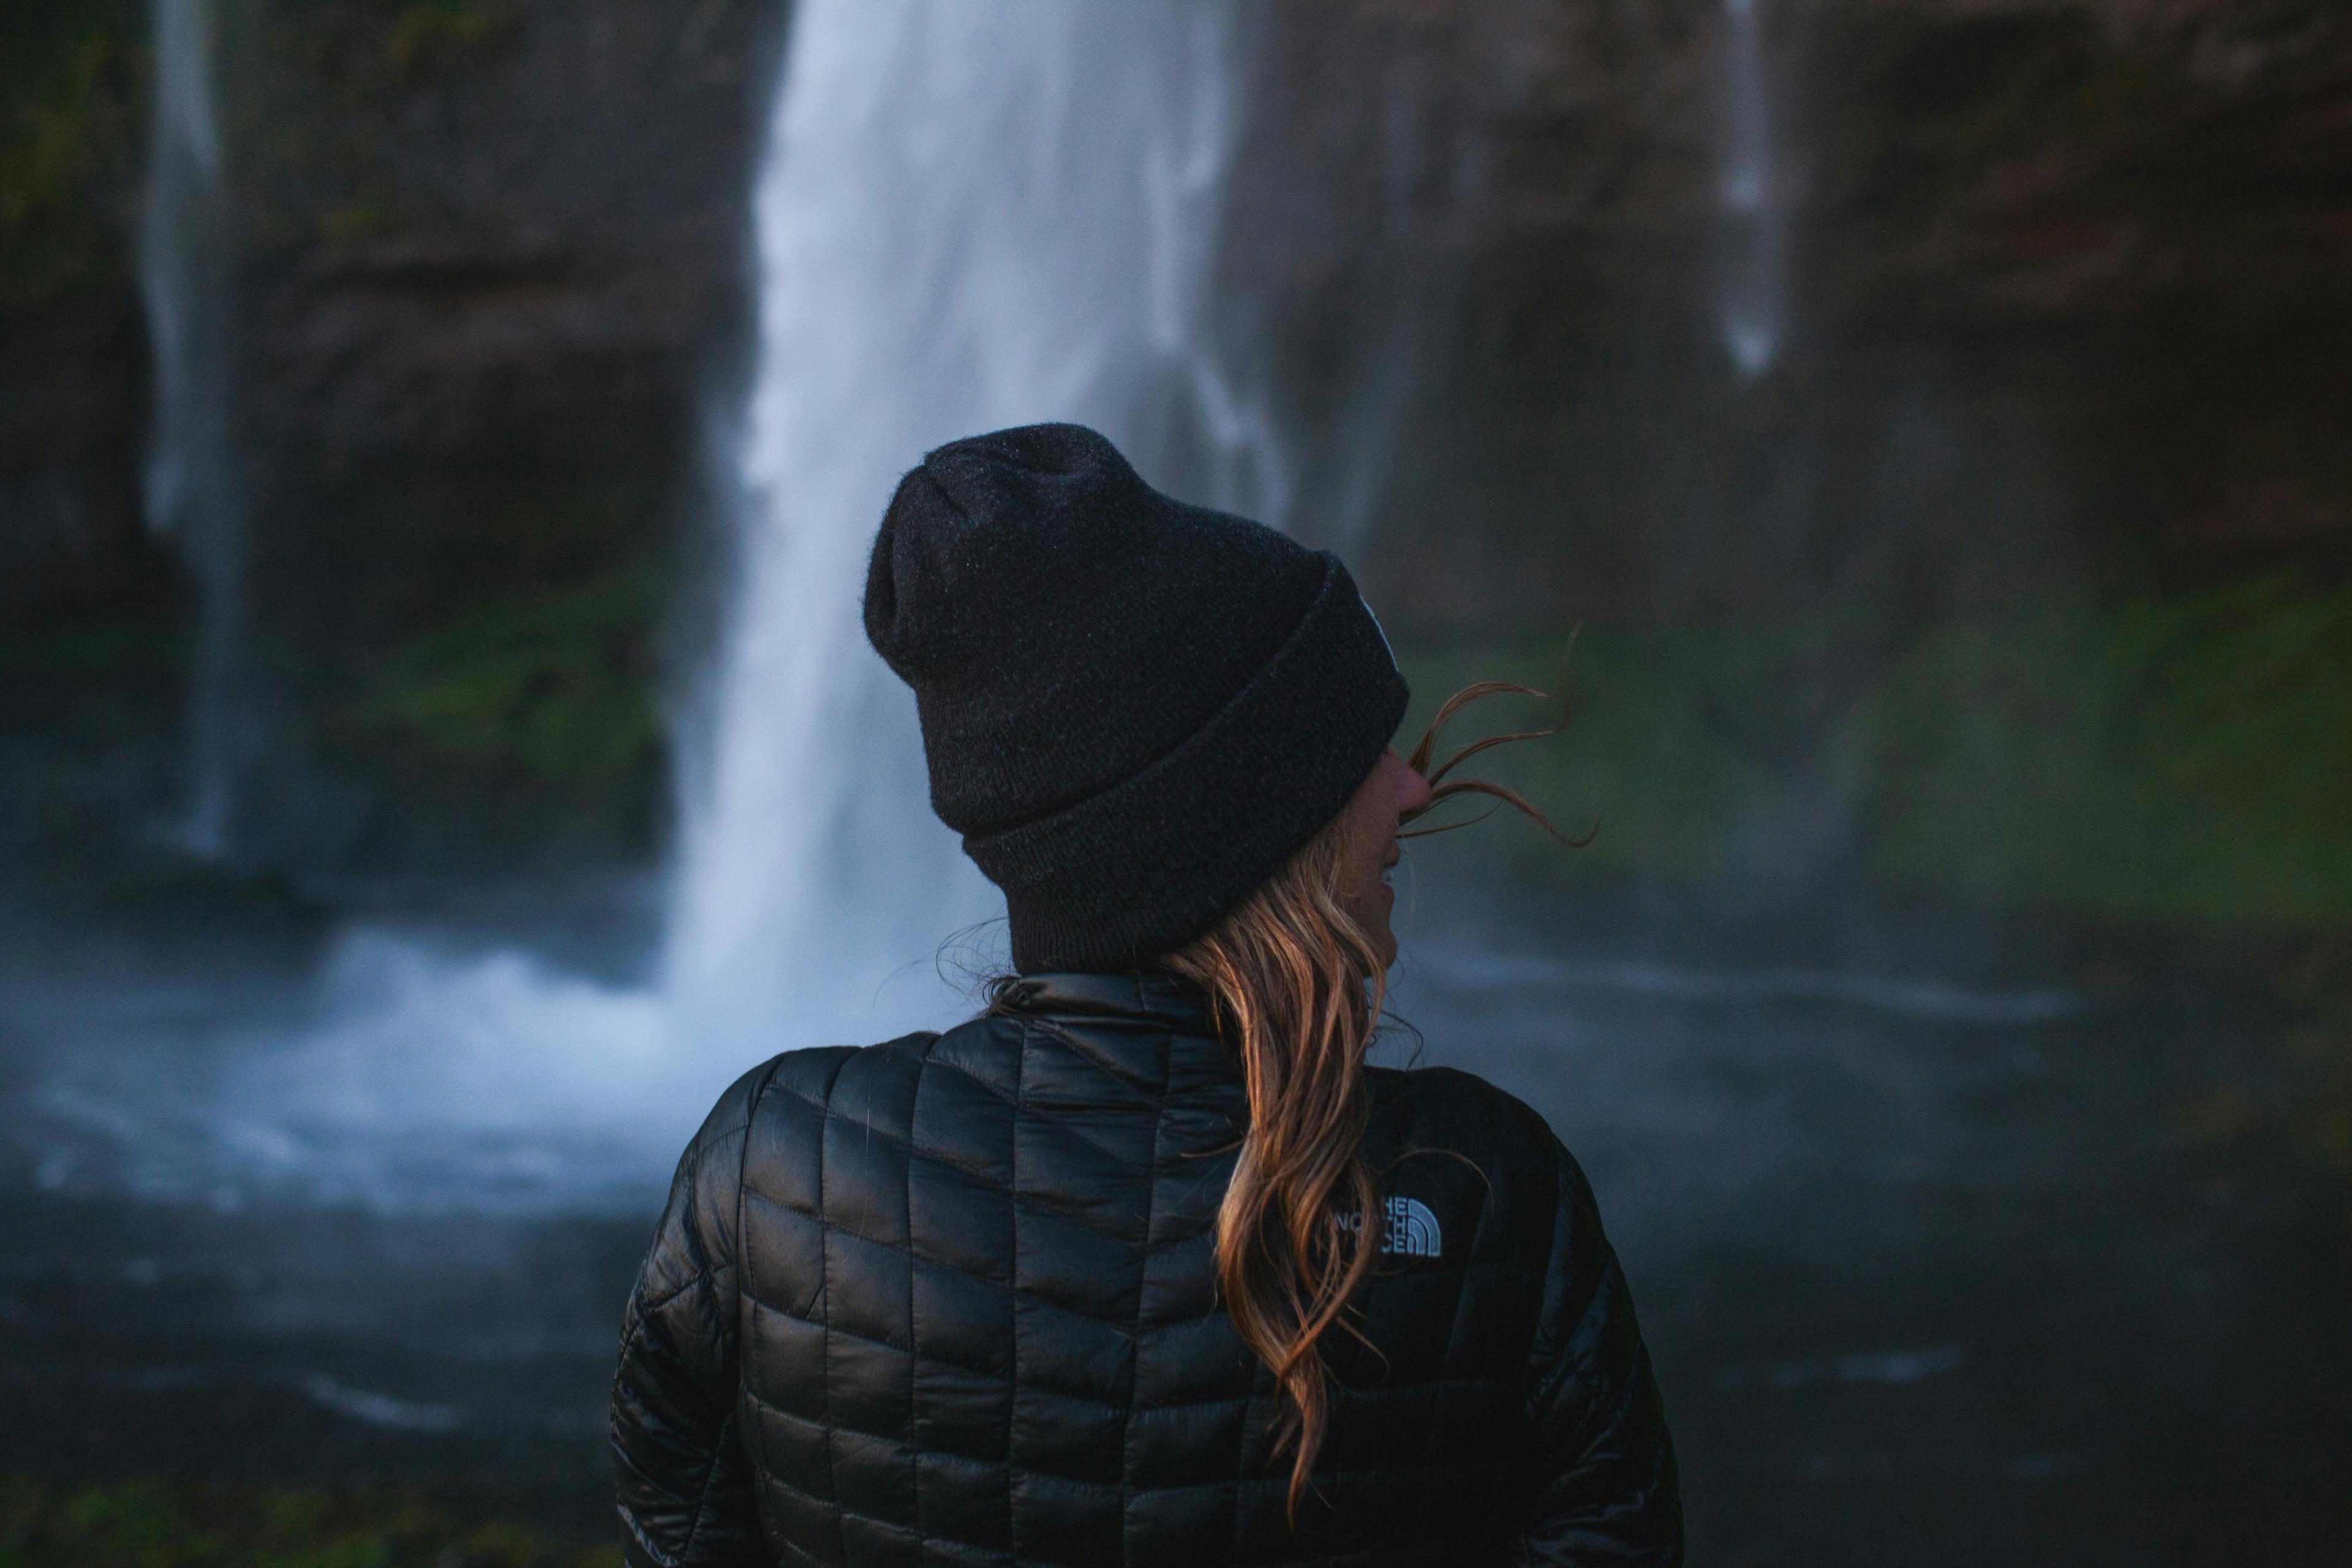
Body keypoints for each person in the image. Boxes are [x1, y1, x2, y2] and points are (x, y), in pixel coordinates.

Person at [610, 423, 1681, 1566]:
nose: (1412, 787)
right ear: (1237, 819)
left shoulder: (774, 1171)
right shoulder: (1482, 1195)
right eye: (1357, 748)